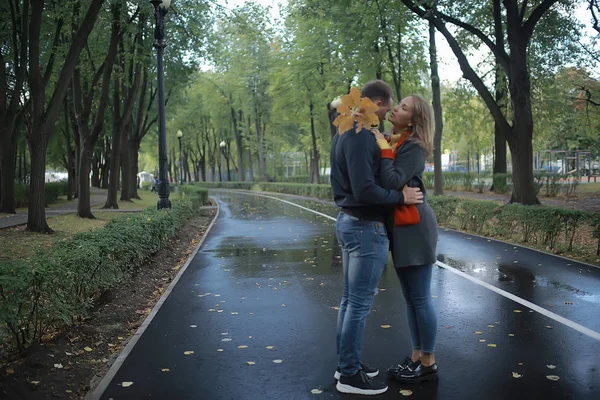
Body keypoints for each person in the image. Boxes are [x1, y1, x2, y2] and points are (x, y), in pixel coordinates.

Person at [330, 80, 424, 396]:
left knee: (349, 301)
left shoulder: (348, 129)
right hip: (364, 227)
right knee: (357, 304)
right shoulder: (358, 134)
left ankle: (347, 364)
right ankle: (350, 375)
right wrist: (402, 198)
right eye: (390, 105)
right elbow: (365, 190)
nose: (389, 112)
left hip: (352, 222)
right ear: (380, 104)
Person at [372, 95, 439, 383]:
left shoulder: (414, 147)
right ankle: (415, 355)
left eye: (403, 107)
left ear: (412, 120)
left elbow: (392, 180)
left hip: (416, 229)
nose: (395, 108)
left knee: (420, 298)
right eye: (396, 104)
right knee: (411, 300)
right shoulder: (396, 141)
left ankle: (429, 361)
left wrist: (384, 149)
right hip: (401, 229)